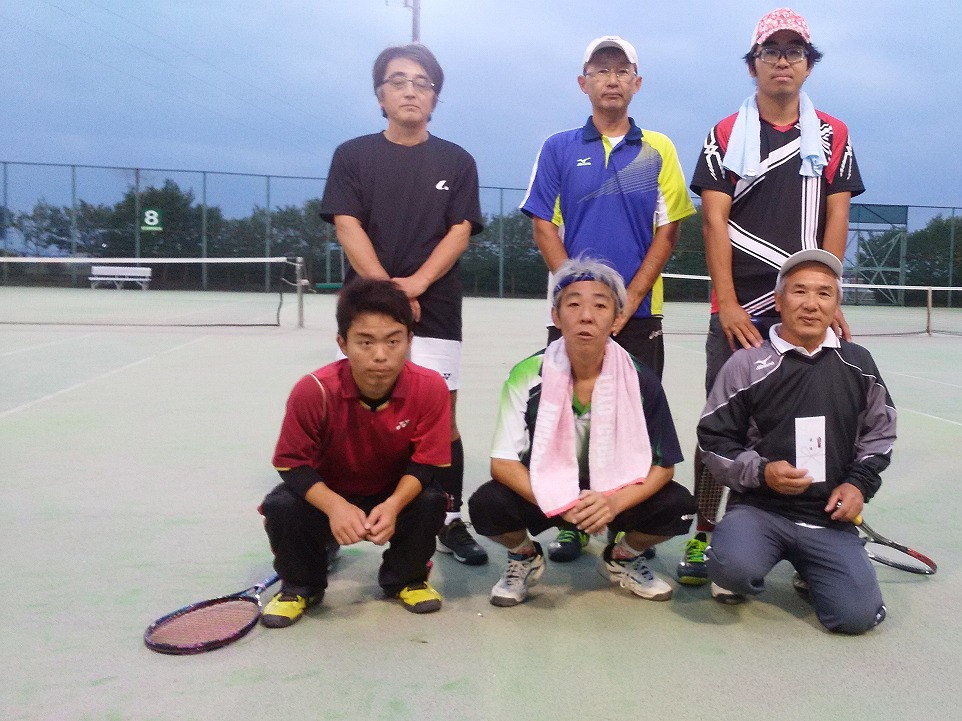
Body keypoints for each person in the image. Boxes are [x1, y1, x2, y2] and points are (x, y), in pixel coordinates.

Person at [684, 8, 866, 591]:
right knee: (723, 426)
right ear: (753, 64)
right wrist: (729, 303)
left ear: (808, 65)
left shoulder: (834, 134)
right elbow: (714, 221)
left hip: (805, 309)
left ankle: (817, 534)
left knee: (821, 423)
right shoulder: (723, 133)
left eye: (794, 51)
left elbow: (838, 216)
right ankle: (705, 529)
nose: (782, 61)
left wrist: (827, 293)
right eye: (771, 51)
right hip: (740, 311)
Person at [520, 35, 695, 563]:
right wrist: (579, 298)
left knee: (633, 423)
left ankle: (622, 524)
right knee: (568, 419)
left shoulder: (658, 148)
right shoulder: (558, 148)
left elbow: (668, 230)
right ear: (584, 83)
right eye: (601, 70)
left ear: (637, 83)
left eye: (622, 71)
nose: (612, 79)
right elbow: (543, 226)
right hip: (574, 319)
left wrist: (627, 299)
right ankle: (572, 521)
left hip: (640, 315)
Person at [320, 43, 488, 566]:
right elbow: (347, 224)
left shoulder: (457, 161)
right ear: (380, 95)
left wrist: (415, 285)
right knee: (351, 415)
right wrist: (391, 295)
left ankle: (449, 520)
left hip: (435, 308)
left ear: (435, 98)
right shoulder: (351, 156)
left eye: (422, 83)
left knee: (443, 418)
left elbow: (459, 231)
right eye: (398, 81)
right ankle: (334, 520)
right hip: (366, 308)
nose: (411, 90)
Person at [468, 258, 695, 607]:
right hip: (546, 488)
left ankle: (622, 557)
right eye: (573, 304)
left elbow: (663, 466)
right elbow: (503, 463)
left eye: (600, 305)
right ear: (556, 317)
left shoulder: (641, 379)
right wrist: (560, 500)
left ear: (617, 319)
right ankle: (524, 556)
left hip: (613, 493)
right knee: (486, 505)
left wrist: (612, 502)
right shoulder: (526, 374)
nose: (586, 316)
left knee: (679, 507)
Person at [696, 249, 893, 634]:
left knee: (855, 618)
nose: (811, 304)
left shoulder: (859, 364)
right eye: (799, 291)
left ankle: (815, 569)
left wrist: (857, 484)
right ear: (778, 300)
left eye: (824, 293)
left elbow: (880, 433)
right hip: (760, 509)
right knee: (733, 568)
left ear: (836, 304)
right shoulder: (746, 364)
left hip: (827, 518)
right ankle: (742, 555)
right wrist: (762, 472)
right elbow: (713, 440)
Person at [259, 279, 452, 628]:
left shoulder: (430, 387)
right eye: (365, 342)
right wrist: (335, 506)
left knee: (432, 500)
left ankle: (406, 579)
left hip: (391, 491)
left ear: (409, 340)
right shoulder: (313, 390)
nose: (380, 354)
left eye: (393, 341)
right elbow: (292, 464)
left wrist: (393, 505)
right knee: (282, 505)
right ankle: (300, 586)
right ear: (343, 344)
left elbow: (426, 462)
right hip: (329, 491)